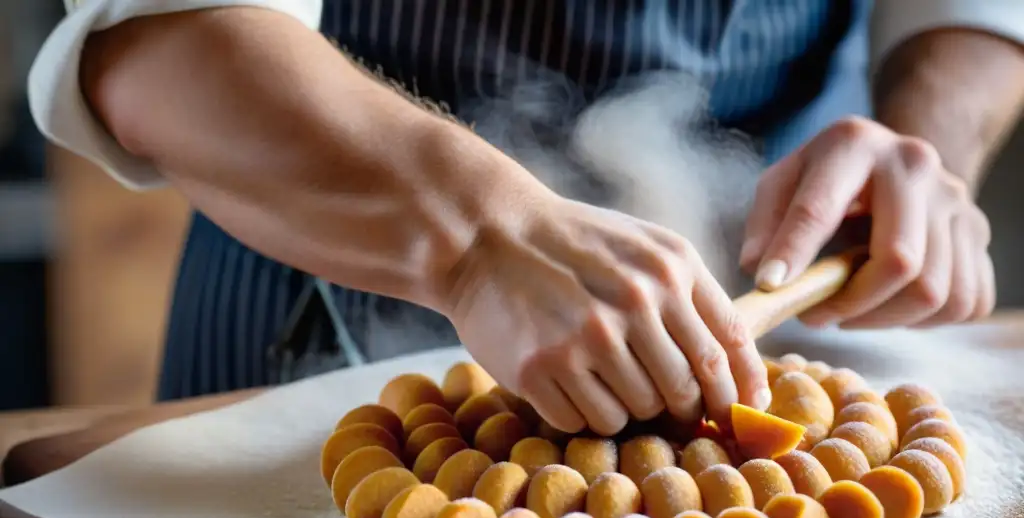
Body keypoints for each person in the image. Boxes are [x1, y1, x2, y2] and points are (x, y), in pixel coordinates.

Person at [28, 1, 1024, 436]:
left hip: (785, 302)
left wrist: (921, 142)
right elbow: (156, 42)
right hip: (330, 300)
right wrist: (478, 239)